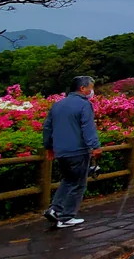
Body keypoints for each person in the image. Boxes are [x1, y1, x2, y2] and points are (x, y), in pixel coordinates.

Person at [42, 76, 101, 229]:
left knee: (68, 180)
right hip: (78, 150)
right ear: (82, 88)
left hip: (61, 151)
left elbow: (47, 127)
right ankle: (66, 217)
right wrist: (95, 146)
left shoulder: (57, 105)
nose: (91, 91)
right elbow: (88, 127)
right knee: (78, 184)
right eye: (90, 88)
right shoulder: (84, 105)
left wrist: (49, 146)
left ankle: (55, 209)